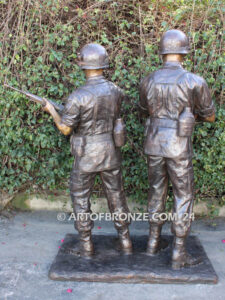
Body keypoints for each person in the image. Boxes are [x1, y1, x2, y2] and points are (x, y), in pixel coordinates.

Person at [43, 43, 132, 256]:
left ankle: (86, 245)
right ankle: (125, 240)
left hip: (86, 154)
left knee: (81, 197)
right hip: (111, 150)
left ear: (83, 65)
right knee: (117, 196)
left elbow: (65, 128)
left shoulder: (78, 96)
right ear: (103, 64)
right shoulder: (116, 91)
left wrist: (51, 111)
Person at [139, 29, 215, 269]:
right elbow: (210, 116)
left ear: (162, 51)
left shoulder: (148, 80)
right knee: (183, 196)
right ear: (184, 51)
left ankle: (153, 242)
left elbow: (142, 111)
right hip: (179, 145)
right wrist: (192, 117)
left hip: (153, 142)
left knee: (156, 190)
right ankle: (178, 252)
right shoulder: (194, 81)